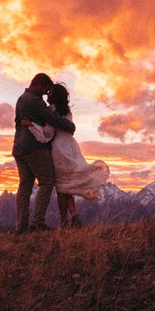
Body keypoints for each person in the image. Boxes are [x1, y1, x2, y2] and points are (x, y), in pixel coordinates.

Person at [12, 73, 76, 233]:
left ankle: (21, 226)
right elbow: (52, 119)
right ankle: (37, 222)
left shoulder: (21, 99)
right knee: (47, 182)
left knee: (25, 186)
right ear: (39, 85)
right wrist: (70, 127)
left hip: (19, 147)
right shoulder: (35, 101)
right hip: (35, 147)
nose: (47, 94)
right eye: (46, 90)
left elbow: (17, 123)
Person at [46, 83, 109, 228]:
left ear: (54, 96)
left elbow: (48, 131)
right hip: (71, 147)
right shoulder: (67, 111)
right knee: (67, 185)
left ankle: (64, 221)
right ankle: (74, 217)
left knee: (61, 187)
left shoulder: (51, 111)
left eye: (50, 93)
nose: (47, 95)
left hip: (58, 149)